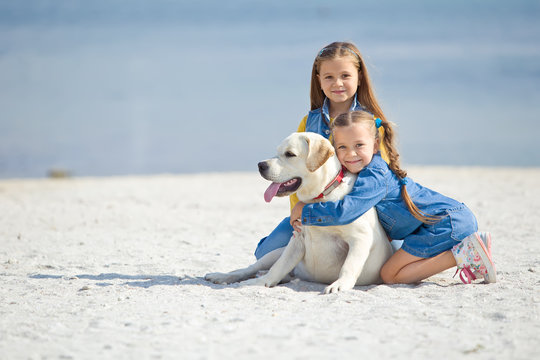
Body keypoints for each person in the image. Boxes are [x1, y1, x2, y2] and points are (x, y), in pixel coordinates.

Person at [290, 111, 496, 285]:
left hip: (447, 222)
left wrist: (305, 210)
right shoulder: (359, 173)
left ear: (375, 145)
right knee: (394, 269)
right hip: (444, 222)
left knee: (390, 274)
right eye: (342, 147)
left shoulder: (373, 176)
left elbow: (346, 212)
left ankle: (466, 253)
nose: (350, 153)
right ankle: (468, 253)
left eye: (359, 145)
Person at [254, 41, 391, 260]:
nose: (337, 83)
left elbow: (377, 178)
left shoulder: (370, 124)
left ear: (359, 77)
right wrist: (297, 213)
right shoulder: (309, 122)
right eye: (329, 77)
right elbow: (294, 172)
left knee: (392, 254)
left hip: (358, 212)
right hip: (312, 213)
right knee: (264, 254)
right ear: (318, 80)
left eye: (345, 75)